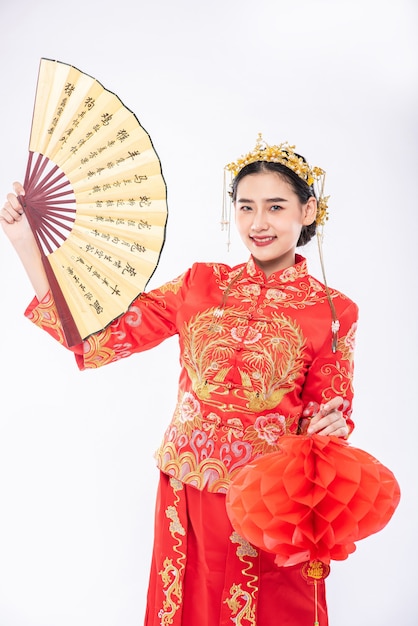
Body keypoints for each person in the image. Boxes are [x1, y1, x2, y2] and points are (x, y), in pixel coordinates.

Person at [1, 137, 358, 626]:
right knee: (185, 603)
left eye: (276, 207)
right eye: (246, 207)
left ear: (308, 209)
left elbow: (332, 408)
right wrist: (25, 244)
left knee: (270, 608)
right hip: (186, 483)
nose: (258, 223)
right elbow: (102, 338)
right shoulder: (199, 284)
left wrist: (331, 426)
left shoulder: (334, 310)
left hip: (269, 497)